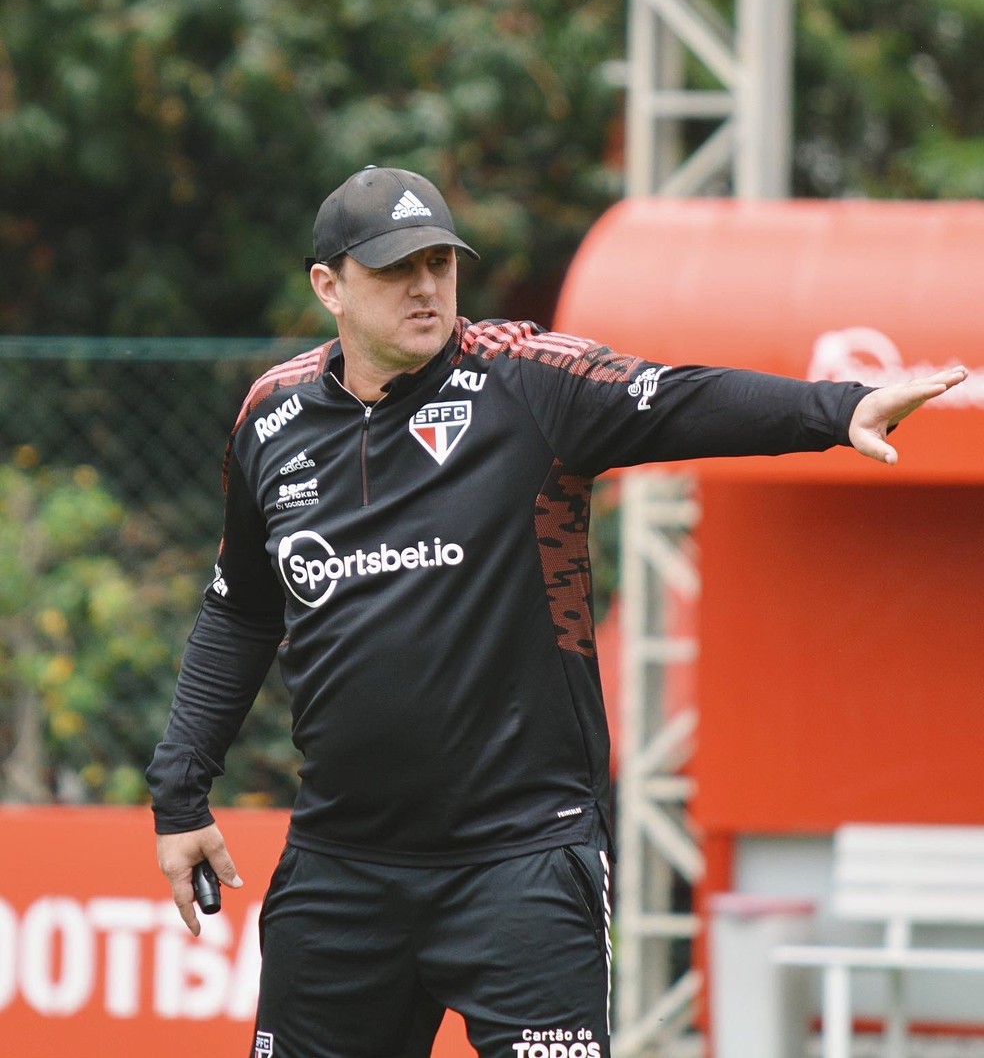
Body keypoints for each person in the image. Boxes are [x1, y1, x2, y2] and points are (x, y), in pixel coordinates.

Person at [147, 165, 967, 1058]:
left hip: (523, 864)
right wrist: (180, 793)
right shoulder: (270, 419)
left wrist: (836, 407)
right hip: (343, 866)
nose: (425, 287)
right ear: (328, 286)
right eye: (394, 269)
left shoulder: (528, 382)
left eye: (439, 263)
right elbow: (238, 616)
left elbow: (674, 397)